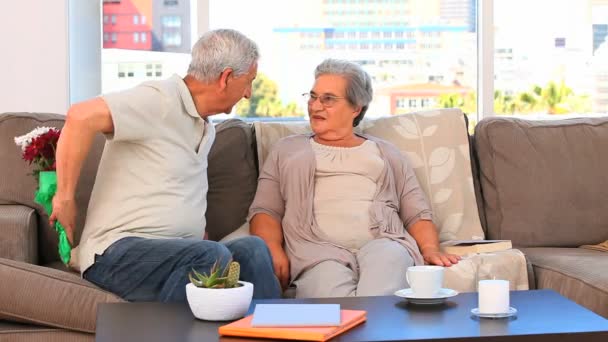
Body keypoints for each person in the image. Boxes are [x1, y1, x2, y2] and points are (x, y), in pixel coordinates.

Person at [50, 29, 282, 302]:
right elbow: (80, 117)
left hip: (176, 253)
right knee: (209, 255)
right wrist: (64, 197)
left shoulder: (205, 127)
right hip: (116, 254)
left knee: (253, 249)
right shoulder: (158, 100)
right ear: (226, 78)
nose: (248, 93)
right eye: (248, 82)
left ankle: (275, 331)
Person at [249, 59, 460, 298]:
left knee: (383, 285)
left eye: (328, 99)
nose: (315, 106)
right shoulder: (286, 150)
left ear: (356, 108)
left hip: (384, 243)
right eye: (313, 96)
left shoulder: (387, 153)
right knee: (331, 300)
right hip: (316, 251)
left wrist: (430, 248)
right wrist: (273, 248)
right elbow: (265, 210)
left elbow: (416, 213)